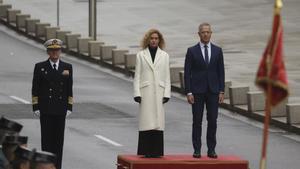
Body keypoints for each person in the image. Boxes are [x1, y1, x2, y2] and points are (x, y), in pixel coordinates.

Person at [184, 23, 225, 158]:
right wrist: (189, 92)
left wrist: (221, 91)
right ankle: (197, 149)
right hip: (197, 91)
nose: (206, 34)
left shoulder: (218, 51)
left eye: (208, 32)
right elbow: (187, 73)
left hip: (213, 91)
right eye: (203, 32)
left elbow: (221, 72)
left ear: (211, 33)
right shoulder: (192, 51)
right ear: (199, 34)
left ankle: (211, 149)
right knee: (197, 120)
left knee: (212, 120)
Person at [31, 39, 73, 169]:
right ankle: (46, 166)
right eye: (52, 50)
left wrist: (69, 106)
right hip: (46, 109)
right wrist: (36, 106)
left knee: (58, 142)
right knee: (47, 141)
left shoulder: (67, 67)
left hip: (60, 109)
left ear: (60, 51)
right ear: (48, 51)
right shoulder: (40, 67)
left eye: (57, 50)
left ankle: (57, 167)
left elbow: (69, 88)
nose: (55, 53)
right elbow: (35, 88)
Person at [133, 29, 171, 158]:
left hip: (159, 92)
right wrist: (137, 93)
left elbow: (167, 76)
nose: (154, 40)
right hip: (146, 92)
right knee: (146, 121)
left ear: (159, 40)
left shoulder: (165, 56)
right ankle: (146, 150)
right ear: (148, 40)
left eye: (156, 38)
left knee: (158, 121)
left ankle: (156, 151)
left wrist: (167, 93)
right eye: (152, 38)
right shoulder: (141, 55)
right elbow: (137, 75)